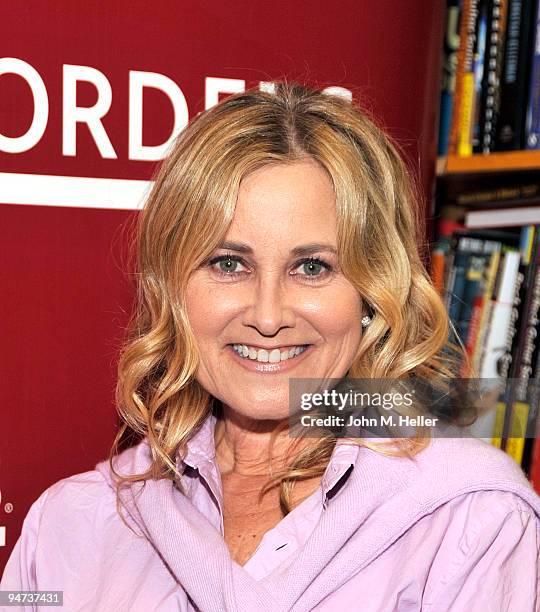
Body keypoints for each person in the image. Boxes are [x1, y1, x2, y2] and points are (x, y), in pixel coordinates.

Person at [2, 81, 539, 611]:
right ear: (171, 287)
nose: (266, 316)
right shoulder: (72, 526)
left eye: (312, 267)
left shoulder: (472, 522)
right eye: (228, 263)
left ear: (373, 292)